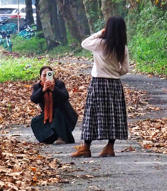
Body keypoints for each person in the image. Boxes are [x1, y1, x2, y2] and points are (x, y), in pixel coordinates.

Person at [72, 15, 129, 159]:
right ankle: (110, 147)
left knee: (92, 114)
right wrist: (115, 72)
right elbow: (125, 69)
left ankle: (86, 147)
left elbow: (84, 43)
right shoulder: (122, 47)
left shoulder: (99, 44)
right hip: (115, 84)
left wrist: (99, 33)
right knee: (114, 115)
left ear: (107, 28)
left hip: (98, 83)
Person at [30, 65, 78, 145]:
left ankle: (61, 137)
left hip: (64, 114)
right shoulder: (37, 87)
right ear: (40, 77)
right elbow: (34, 99)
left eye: (48, 75)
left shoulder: (59, 84)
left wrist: (53, 89)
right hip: (48, 114)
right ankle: (48, 138)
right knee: (35, 121)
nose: (46, 78)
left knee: (57, 112)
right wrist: (43, 90)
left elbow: (65, 96)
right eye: (44, 75)